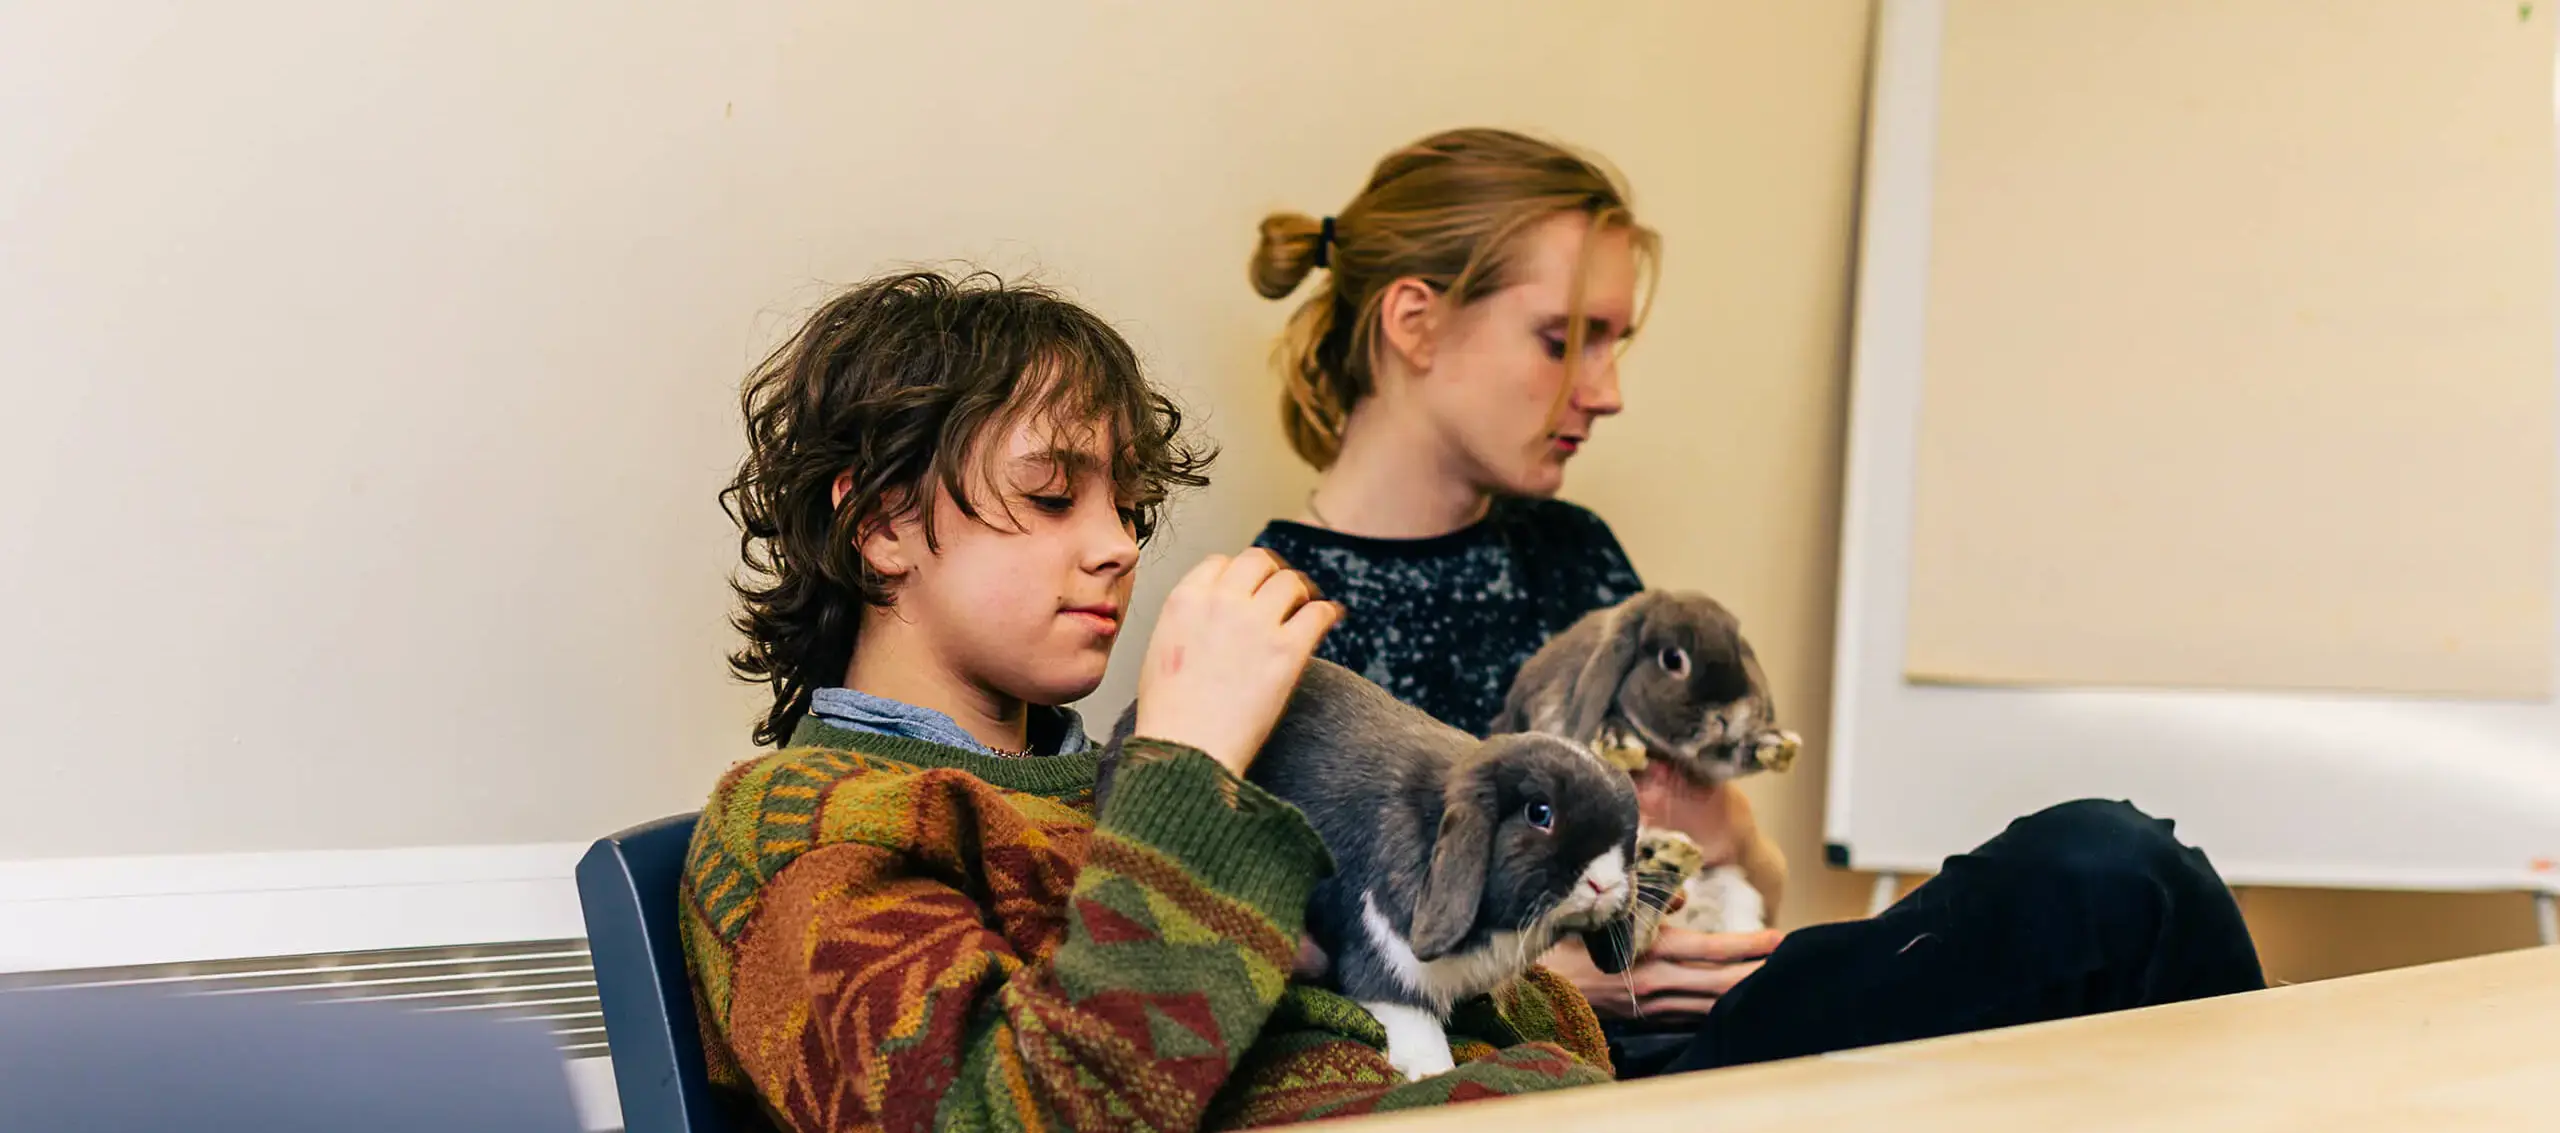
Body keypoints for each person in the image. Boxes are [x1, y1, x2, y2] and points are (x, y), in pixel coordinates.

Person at [1247, 128, 2268, 1077]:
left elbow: (1746, 874)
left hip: (1728, 1003)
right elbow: (1304, 989)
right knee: (2103, 863)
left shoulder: (1572, 552)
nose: (1604, 392)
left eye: (1613, 343)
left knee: (2116, 871)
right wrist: (1541, 980)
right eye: (1566, 338)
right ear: (1415, 322)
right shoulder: (1277, 623)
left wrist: (1727, 831)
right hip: (1570, 1064)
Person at [679, 270, 1617, 1133]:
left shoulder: (1125, 793)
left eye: (1128, 507)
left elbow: (1537, 1034)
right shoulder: (792, 829)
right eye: (1052, 496)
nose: (1120, 545)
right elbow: (993, 1115)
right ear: (882, 523)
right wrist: (1194, 772)